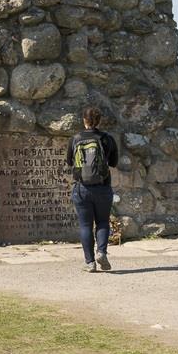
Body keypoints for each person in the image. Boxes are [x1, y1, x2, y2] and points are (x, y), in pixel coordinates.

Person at [69, 106, 119, 273]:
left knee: (85, 225)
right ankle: (102, 252)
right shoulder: (106, 139)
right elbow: (113, 162)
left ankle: (90, 262)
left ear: (84, 120)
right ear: (99, 121)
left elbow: (70, 161)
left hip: (81, 188)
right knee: (103, 222)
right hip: (103, 187)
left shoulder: (75, 139)